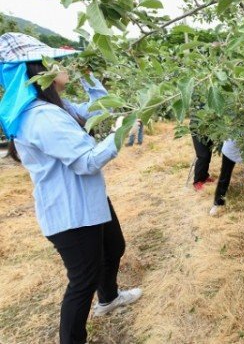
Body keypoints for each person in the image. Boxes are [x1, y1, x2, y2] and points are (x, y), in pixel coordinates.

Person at [0, 33, 142, 344]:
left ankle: (109, 299)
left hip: (89, 202)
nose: (61, 65)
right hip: (72, 215)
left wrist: (88, 76)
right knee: (82, 282)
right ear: (37, 70)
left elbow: (96, 110)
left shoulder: (56, 106)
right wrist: (121, 133)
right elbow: (87, 161)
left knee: (114, 247)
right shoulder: (41, 117)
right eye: (51, 60)